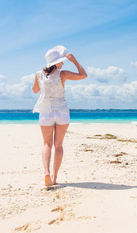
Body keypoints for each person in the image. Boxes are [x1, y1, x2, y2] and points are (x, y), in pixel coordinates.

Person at [32, 45, 87, 186]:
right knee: (58, 145)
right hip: (61, 112)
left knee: (46, 144)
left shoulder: (39, 74)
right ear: (56, 62)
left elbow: (35, 90)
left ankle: (46, 172)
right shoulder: (63, 74)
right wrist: (75, 61)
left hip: (46, 112)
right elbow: (83, 75)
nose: (62, 63)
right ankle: (55, 177)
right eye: (61, 61)